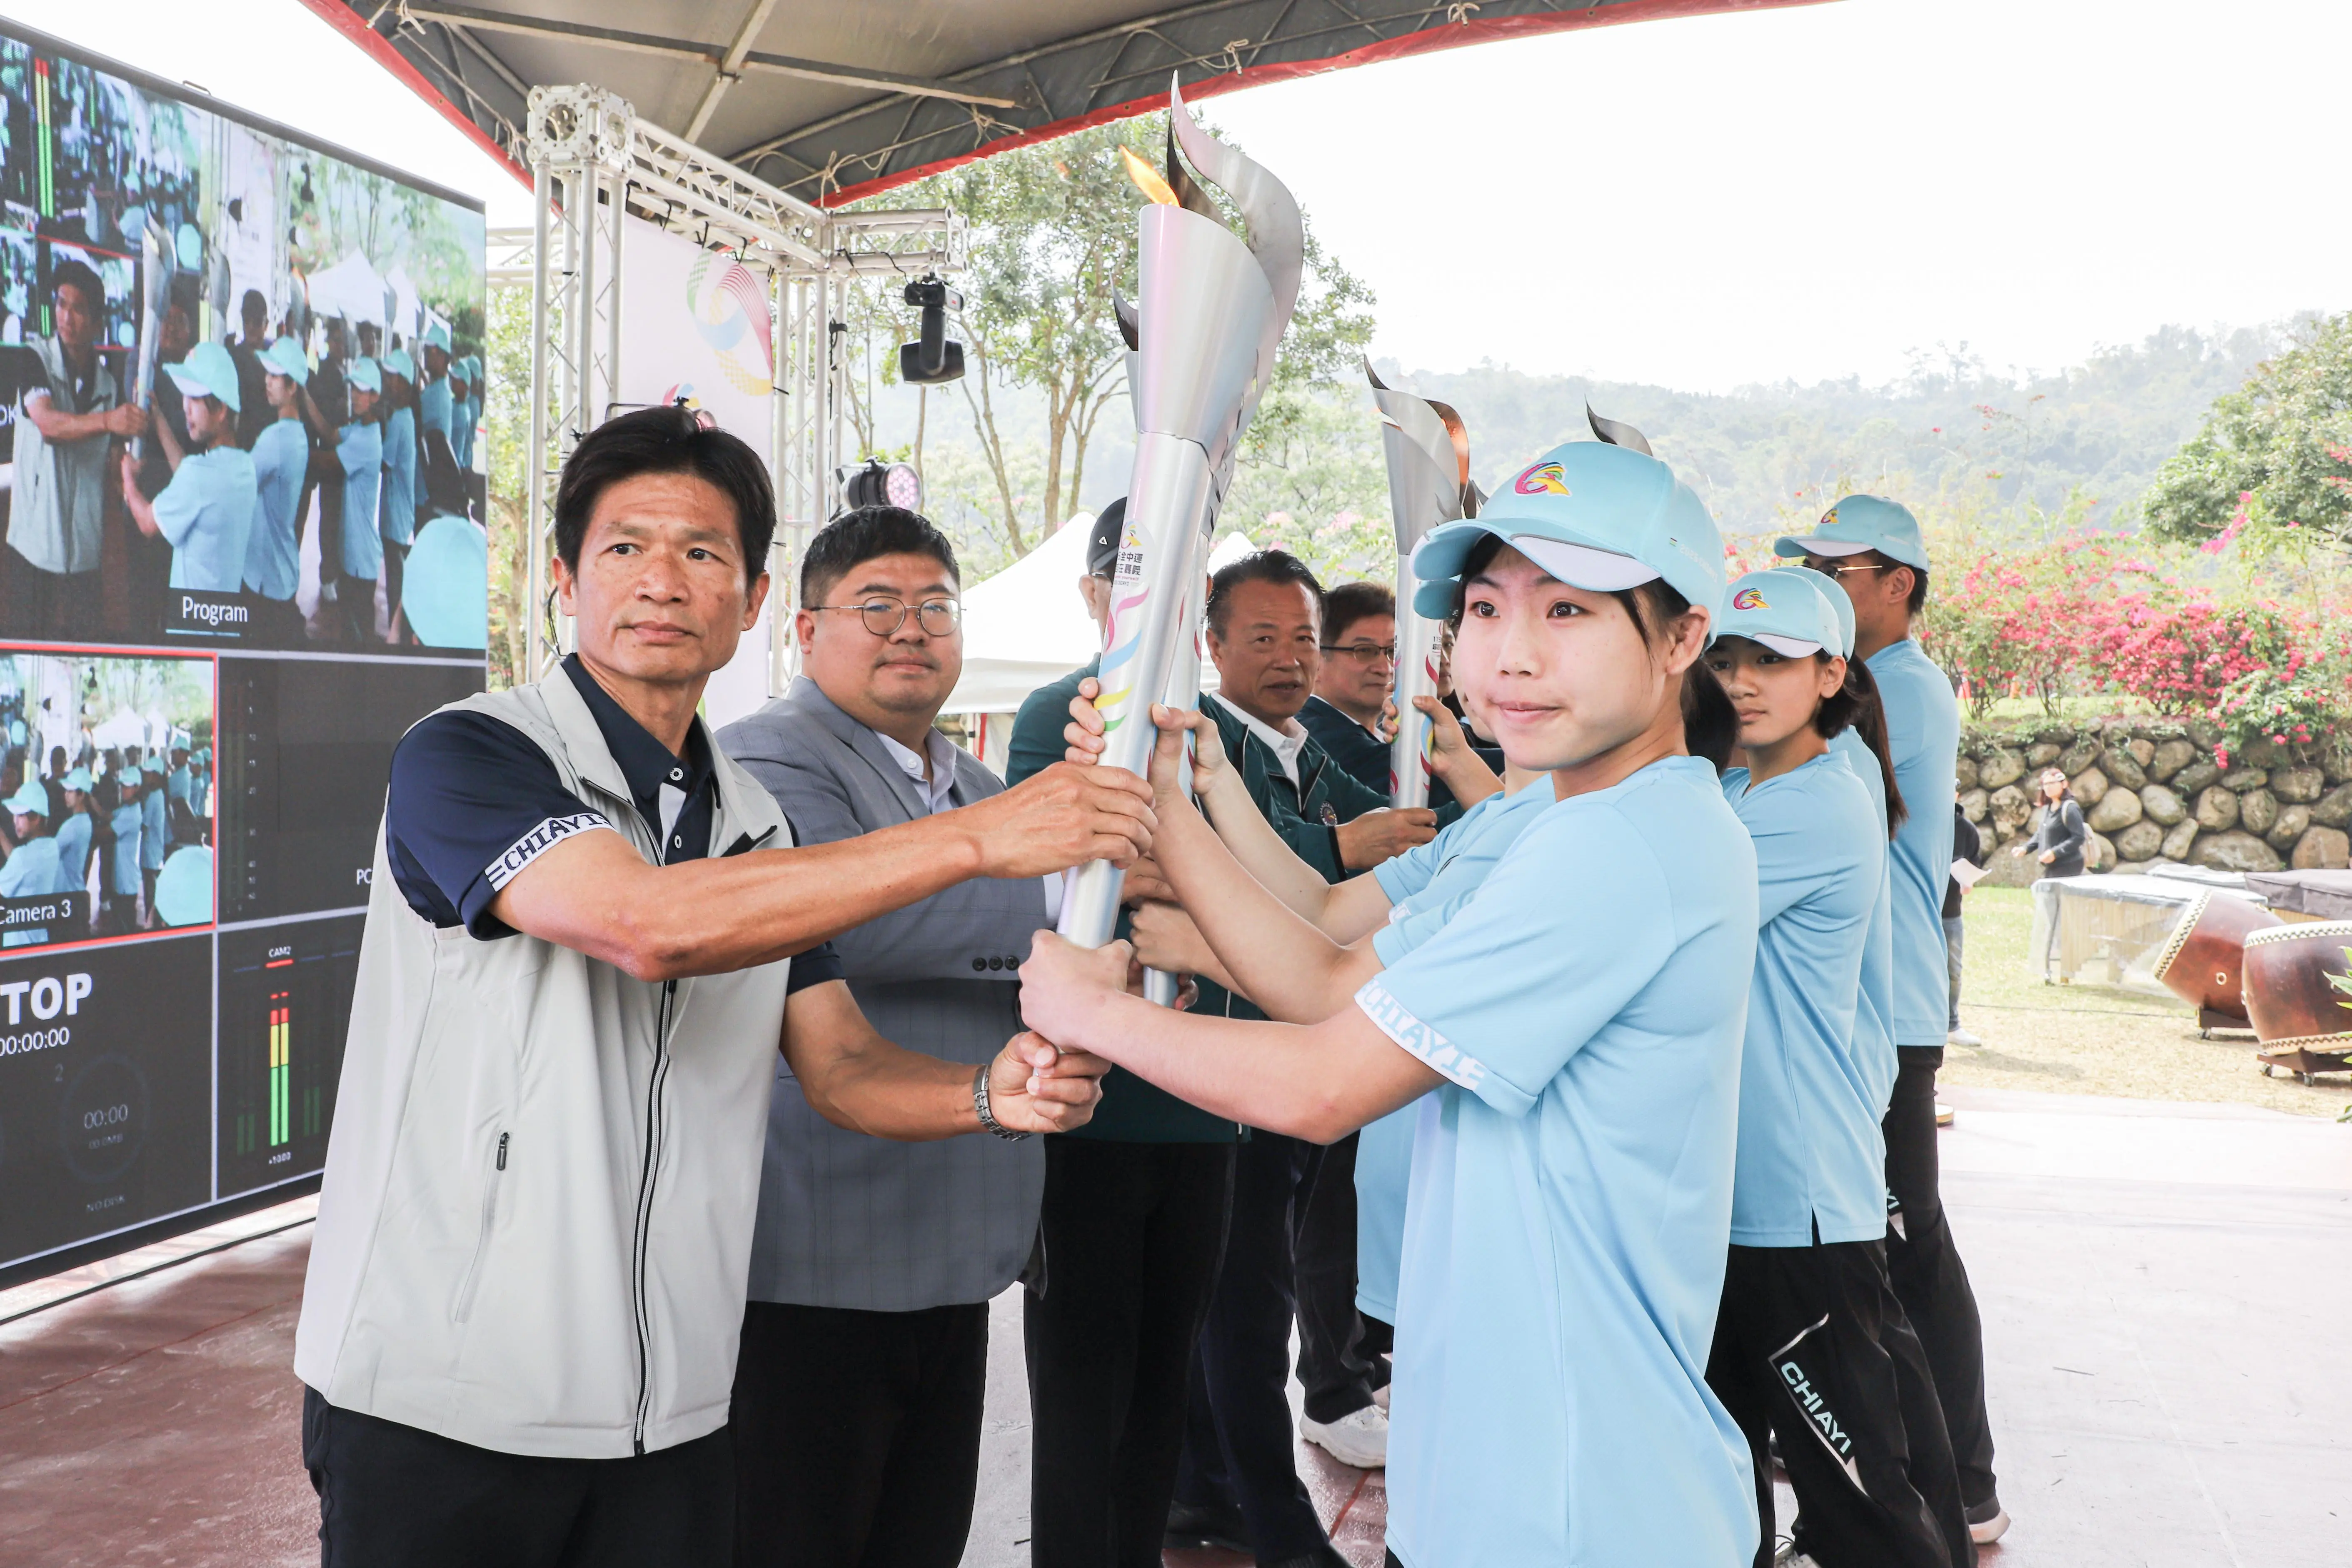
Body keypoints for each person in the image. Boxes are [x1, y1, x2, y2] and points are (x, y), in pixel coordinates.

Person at [294, 406, 1151, 1566]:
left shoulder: (753, 825)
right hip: (447, 1402)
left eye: (701, 552)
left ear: (749, 601)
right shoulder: (471, 752)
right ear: (564, 579)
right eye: (624, 547)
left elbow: (841, 1063)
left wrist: (992, 1094)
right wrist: (981, 836)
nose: (662, 580)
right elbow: (644, 923)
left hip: (677, 1410)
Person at [1022, 437, 1760, 1568]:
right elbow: (1327, 973)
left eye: (1567, 611)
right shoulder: (1580, 820)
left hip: (1569, 1503)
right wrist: (1169, 795)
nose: (1510, 654)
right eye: (1484, 609)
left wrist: (1090, 1010)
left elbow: (1323, 1081)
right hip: (1516, 1469)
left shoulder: (1615, 845)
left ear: (1679, 638)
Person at [714, 505, 1064, 1568]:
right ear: (805, 629)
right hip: (823, 1246)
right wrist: (1062, 908)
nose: (911, 628)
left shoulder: (977, 788)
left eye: (934, 607)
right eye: (877, 605)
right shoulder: (764, 760)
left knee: (920, 1537)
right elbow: (842, 919)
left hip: (960, 1241)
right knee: (801, 1538)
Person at [1699, 568, 1974, 1568]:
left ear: (1828, 673)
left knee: (1859, 1501)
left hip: (1796, 1199)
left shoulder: (1813, 803)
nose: (1741, 681)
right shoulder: (1740, 788)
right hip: (1739, 1193)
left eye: (1770, 661)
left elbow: (1655, 900)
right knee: (1723, 1480)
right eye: (1725, 660)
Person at [1004, 498, 1246, 1568]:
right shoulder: (1057, 715)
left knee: (1163, 1381)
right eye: (1137, 580)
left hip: (1204, 1104)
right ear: (1096, 592)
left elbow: (1268, 891)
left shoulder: (1216, 734)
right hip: (1088, 1109)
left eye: (1186, 582)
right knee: (1079, 1384)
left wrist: (1186, 885)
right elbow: (1055, 883)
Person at [1778, 496, 2006, 1544]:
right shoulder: (1870, 680)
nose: (1820, 585)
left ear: (1898, 583)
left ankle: (1963, 1484)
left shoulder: (1896, 687)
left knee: (1906, 1246)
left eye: (1837, 570)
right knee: (1881, 1246)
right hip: (1861, 996)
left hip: (1888, 1002)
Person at [6, 258, 145, 636]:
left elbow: (114, 465)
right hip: (33, 545)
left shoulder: (108, 386)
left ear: (98, 323)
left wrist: (132, 472)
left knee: (86, 642)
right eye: (62, 304)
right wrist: (109, 420)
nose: (66, 317)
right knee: (28, 642)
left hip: (85, 553)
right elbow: (49, 426)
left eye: (79, 309)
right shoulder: (34, 358)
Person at [119, 341, 257, 594]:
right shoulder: (244, 465)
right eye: (185, 396)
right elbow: (189, 475)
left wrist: (128, 480)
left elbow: (148, 523)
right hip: (224, 607)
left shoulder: (199, 475)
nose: (186, 407)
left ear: (221, 410)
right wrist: (158, 416)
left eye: (195, 398)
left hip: (191, 611)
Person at [1298, 580, 1397, 794]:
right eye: (1364, 651)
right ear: (1316, 659)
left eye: (1392, 651)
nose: (1385, 668)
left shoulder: (1382, 731)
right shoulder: (1315, 736)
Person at [243, 337, 312, 644]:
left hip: (267, 577)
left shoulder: (277, 438)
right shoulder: (298, 434)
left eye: (275, 376)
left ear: (292, 387)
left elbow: (241, 482)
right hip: (281, 570)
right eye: (267, 374)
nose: (267, 381)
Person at [300, 317, 352, 636]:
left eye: (342, 340)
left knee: (337, 518)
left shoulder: (344, 371)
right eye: (335, 340)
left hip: (343, 451)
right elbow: (326, 416)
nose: (339, 345)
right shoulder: (326, 373)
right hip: (331, 453)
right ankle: (327, 576)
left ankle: (333, 573)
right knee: (329, 518)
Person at [335, 356, 385, 644]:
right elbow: (332, 434)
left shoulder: (367, 440)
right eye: (353, 389)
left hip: (361, 556)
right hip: (354, 552)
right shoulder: (360, 429)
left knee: (358, 633)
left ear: (375, 396)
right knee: (350, 628)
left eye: (361, 391)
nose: (354, 395)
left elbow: (330, 461)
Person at [0, 777, 72, 946]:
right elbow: (24, 866)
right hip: (40, 939)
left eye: (21, 815)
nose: (15, 821)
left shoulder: (22, 858)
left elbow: (19, 864)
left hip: (17, 944)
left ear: (36, 818)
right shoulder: (52, 847)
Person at [379, 348, 419, 641]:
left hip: (397, 515)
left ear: (404, 383)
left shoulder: (400, 421)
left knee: (396, 578)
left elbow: (384, 461)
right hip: (400, 512)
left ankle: (398, 639)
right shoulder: (404, 416)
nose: (388, 382)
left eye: (392, 377)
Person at [1948, 805, 1986, 1049]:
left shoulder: (1966, 829)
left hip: (1951, 912)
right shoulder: (1925, 822)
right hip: (1921, 912)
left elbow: (1975, 861)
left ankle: (1952, 1026)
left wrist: (1968, 881)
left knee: (1953, 971)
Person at [2012, 768, 2085, 879]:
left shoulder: (2071, 809)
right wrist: (2026, 848)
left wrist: (2055, 853)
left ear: (2064, 784)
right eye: (2045, 784)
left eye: (2052, 783)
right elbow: (2041, 833)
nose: (2048, 787)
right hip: (2051, 867)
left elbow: (2078, 838)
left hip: (2068, 866)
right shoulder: (2048, 808)